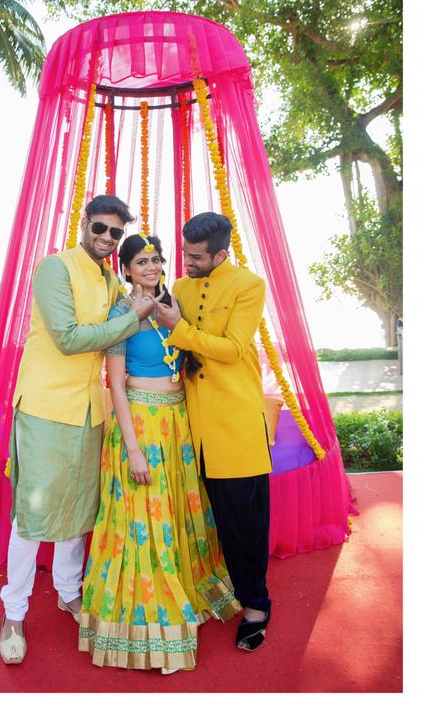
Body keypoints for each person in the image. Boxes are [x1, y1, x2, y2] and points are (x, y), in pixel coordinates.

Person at [0, 195, 157, 665]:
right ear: (84, 223)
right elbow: (67, 338)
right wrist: (134, 318)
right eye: (100, 228)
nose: (107, 239)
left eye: (115, 233)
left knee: (77, 512)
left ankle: (69, 592)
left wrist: (145, 306)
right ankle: (13, 612)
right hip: (47, 407)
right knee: (33, 516)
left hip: (91, 410)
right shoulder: (55, 267)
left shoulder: (111, 279)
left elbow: (127, 325)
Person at [78, 233, 239, 672]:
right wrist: (132, 449)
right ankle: (149, 622)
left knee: (175, 514)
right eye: (142, 261)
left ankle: (190, 590)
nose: (151, 267)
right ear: (126, 268)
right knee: (145, 520)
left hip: (177, 425)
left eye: (157, 259)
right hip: (143, 428)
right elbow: (115, 383)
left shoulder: (172, 307)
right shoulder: (120, 313)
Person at [153, 212, 274, 652]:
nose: (187, 261)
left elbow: (234, 348)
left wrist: (179, 329)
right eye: (184, 252)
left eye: (197, 256)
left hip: (234, 426)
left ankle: (257, 605)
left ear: (221, 253)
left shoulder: (248, 285)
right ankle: (219, 589)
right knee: (212, 523)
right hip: (189, 430)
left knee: (245, 524)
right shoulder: (181, 287)